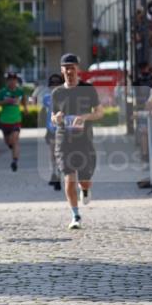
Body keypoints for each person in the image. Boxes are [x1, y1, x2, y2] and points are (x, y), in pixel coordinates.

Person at [51, 53, 104, 230]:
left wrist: (84, 117)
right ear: (61, 70)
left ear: (78, 69)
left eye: (72, 68)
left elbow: (100, 112)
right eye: (66, 68)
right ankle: (75, 215)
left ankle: (86, 189)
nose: (69, 71)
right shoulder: (57, 93)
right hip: (63, 139)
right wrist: (56, 118)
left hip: (84, 140)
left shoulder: (88, 89)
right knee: (68, 179)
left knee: (84, 180)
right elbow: (53, 116)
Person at [0, 71, 27, 172]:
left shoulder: (20, 92)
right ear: (7, 81)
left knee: (15, 139)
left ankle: (15, 161)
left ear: (16, 81)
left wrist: (25, 108)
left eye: (14, 80)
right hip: (4, 121)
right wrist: (5, 102)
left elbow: (24, 100)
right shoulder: (2, 92)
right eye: (10, 80)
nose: (12, 82)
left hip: (16, 120)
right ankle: (11, 146)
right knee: (8, 141)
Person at [41, 73, 64, 189]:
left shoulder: (66, 97)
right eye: (52, 85)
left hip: (63, 128)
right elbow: (47, 113)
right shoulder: (46, 98)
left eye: (57, 85)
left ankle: (58, 175)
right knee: (53, 153)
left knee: (59, 153)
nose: (54, 87)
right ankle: (55, 173)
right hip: (51, 128)